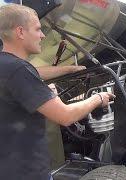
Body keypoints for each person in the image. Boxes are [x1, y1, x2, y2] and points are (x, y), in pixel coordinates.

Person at [0, 4, 114, 180]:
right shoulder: (19, 70)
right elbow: (65, 116)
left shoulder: (7, 65)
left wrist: (67, 69)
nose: (42, 35)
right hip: (27, 173)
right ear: (20, 32)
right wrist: (98, 98)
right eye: (38, 29)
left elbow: (33, 72)